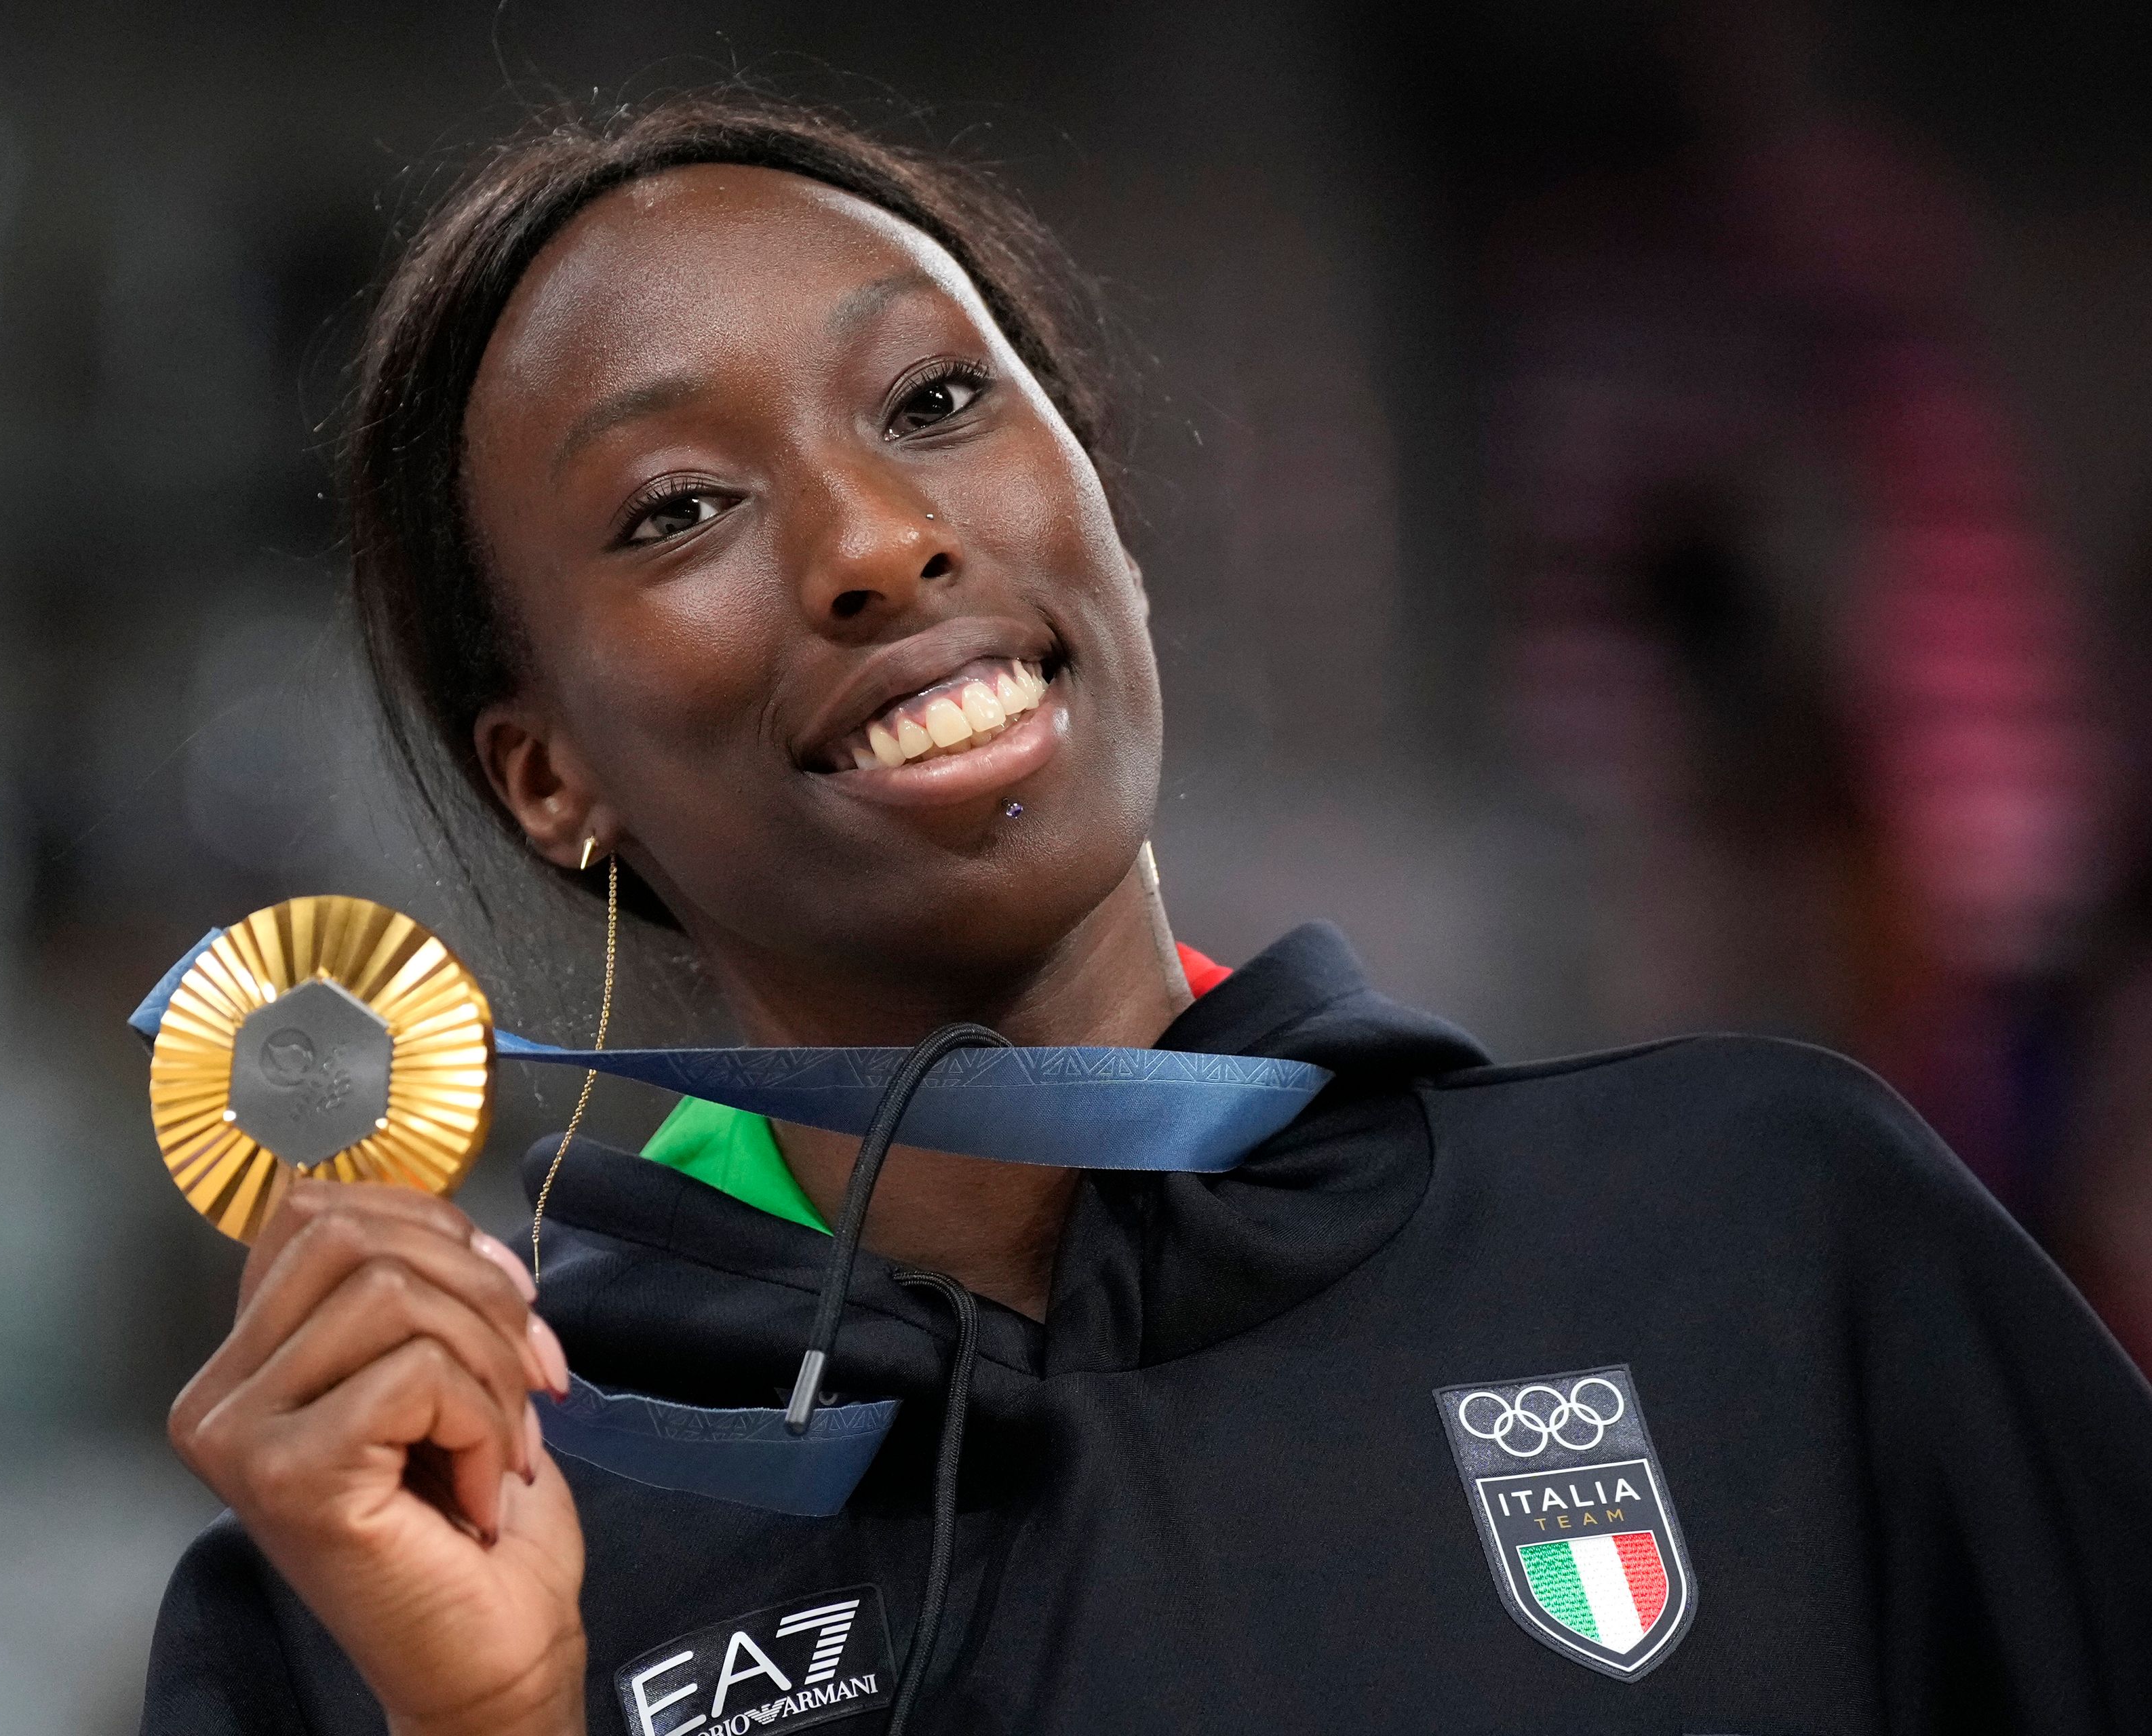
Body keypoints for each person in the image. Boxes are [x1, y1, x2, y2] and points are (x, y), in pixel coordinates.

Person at [137, 94, 2152, 1736]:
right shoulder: (413, 1537)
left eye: (932, 406)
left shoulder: (1759, 1236)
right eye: (680, 509)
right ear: (545, 772)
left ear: (1098, 498)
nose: (875, 542)